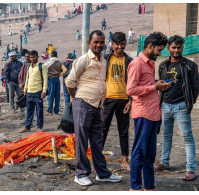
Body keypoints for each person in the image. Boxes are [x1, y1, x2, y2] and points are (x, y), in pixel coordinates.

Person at [65, 30, 122, 186]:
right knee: (82, 142)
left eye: (101, 42)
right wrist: (74, 97)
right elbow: (69, 82)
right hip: (83, 104)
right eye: (96, 42)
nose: (99, 45)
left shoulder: (103, 61)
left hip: (97, 106)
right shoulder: (83, 60)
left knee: (97, 141)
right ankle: (80, 173)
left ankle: (102, 173)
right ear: (89, 43)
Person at [126, 32, 169, 191]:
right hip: (143, 114)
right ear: (150, 46)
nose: (160, 53)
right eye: (159, 50)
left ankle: (149, 187)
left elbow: (145, 85)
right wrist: (154, 87)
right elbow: (130, 89)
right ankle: (135, 187)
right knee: (139, 151)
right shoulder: (137, 63)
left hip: (153, 114)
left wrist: (158, 84)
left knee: (150, 154)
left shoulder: (149, 63)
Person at [155, 35, 199, 181]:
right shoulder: (163, 65)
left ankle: (191, 168)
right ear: (168, 48)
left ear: (182, 48)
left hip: (181, 106)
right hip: (165, 106)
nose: (176, 50)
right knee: (166, 135)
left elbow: (195, 87)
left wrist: (189, 103)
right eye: (173, 47)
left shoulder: (190, 65)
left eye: (179, 47)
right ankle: (164, 162)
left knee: (187, 137)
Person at [101, 32, 133, 172]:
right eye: (117, 44)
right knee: (102, 129)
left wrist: (131, 100)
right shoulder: (105, 59)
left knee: (123, 131)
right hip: (107, 99)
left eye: (122, 44)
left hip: (124, 100)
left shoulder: (129, 61)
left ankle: (125, 160)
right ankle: (97, 157)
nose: (120, 47)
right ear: (112, 44)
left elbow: (133, 81)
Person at [19, 50, 48, 133]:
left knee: (39, 110)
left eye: (34, 57)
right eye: (31, 57)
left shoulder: (42, 66)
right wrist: (25, 89)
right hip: (29, 92)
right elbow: (27, 79)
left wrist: (44, 91)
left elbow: (45, 79)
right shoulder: (29, 67)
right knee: (29, 111)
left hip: (38, 92)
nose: (32, 58)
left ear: (37, 57)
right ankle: (27, 127)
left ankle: (39, 127)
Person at [44, 51, 67, 115]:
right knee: (57, 95)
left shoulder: (48, 63)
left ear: (51, 55)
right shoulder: (59, 63)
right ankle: (56, 110)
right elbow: (65, 70)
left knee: (51, 95)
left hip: (51, 79)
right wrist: (59, 74)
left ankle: (50, 110)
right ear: (56, 56)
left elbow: (43, 69)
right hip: (57, 79)